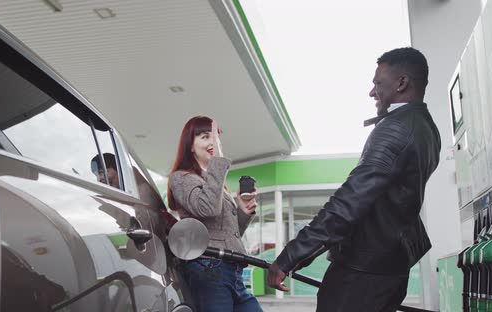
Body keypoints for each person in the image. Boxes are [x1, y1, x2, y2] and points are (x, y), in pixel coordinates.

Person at [267, 47, 441, 312]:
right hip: (390, 271)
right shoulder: (427, 129)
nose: (372, 92)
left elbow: (348, 202)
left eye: (377, 84)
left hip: (361, 277)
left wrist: (291, 256)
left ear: (402, 83)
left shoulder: (395, 129)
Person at [167, 116, 262, 312]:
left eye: (216, 138)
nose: (212, 142)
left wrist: (242, 210)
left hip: (232, 269)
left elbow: (227, 234)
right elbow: (207, 209)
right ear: (190, 146)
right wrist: (218, 164)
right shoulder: (181, 178)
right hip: (209, 268)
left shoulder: (216, 184)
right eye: (204, 137)